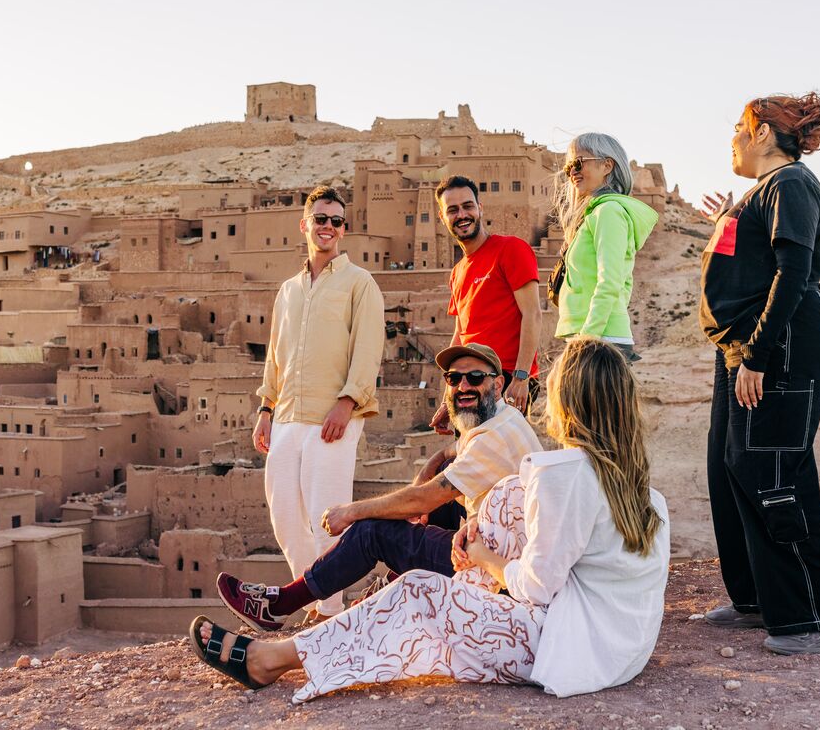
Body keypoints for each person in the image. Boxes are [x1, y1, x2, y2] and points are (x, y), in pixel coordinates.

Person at [190, 337, 670, 702]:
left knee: (419, 589)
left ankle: (269, 659)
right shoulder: (645, 492)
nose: (462, 387)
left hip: (569, 651)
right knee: (503, 499)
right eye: (455, 379)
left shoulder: (562, 475)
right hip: (624, 652)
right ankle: (345, 614)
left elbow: (536, 590)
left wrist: (481, 555)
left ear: (567, 403)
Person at [698, 92, 820, 654]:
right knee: (731, 468)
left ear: (764, 133)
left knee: (773, 472)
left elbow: (793, 274)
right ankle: (760, 599)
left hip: (782, 341)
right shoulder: (762, 194)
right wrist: (726, 222)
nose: (732, 137)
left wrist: (759, 356)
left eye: (739, 127)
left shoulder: (791, 184)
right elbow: (745, 265)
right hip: (742, 344)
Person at [220, 342, 542, 630]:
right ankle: (393, 583)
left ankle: (280, 605)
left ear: (498, 384)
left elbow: (423, 500)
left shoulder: (492, 438)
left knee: (372, 532)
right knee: (442, 476)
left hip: (492, 572)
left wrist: (352, 512)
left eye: (475, 378)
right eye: (453, 379)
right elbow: (446, 460)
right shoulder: (503, 419)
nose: (462, 386)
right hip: (499, 550)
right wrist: (429, 475)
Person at [251, 185, 385, 622]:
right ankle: (318, 601)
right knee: (286, 517)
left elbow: (368, 347)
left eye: (336, 221)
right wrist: (265, 409)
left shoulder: (359, 283)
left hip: (335, 416)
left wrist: (347, 402)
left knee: (327, 515)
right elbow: (276, 353)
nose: (328, 227)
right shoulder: (288, 291)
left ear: (344, 229)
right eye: (321, 219)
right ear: (304, 224)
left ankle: (332, 611)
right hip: (288, 414)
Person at [429, 175, 542, 429]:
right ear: (442, 218)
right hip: (469, 383)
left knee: (499, 460)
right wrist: (448, 398)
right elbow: (461, 335)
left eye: (468, 206)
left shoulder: (510, 249)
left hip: (507, 379)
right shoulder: (457, 272)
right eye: (453, 210)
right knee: (472, 460)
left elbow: (532, 314)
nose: (462, 215)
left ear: (480, 208)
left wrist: (522, 377)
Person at [553, 133, 658, 362]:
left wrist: (588, 338)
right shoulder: (594, 214)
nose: (573, 171)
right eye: (569, 165)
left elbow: (610, 280)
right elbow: (624, 282)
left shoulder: (608, 211)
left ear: (607, 165)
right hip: (593, 336)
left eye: (579, 162)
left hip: (600, 340)